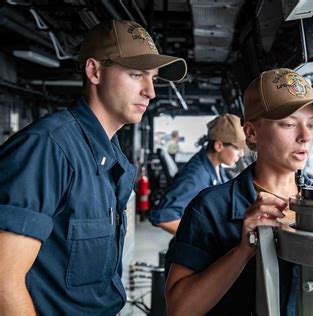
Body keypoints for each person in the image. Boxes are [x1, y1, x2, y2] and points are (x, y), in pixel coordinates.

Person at [0, 20, 186, 315]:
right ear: (94, 71)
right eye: (137, 75)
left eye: (153, 78)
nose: (150, 92)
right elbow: (3, 283)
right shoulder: (48, 148)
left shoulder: (109, 156)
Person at [165, 68, 313, 315]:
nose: (305, 136)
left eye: (312, 125)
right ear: (252, 132)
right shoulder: (210, 208)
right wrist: (243, 250)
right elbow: (179, 309)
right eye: (289, 124)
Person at [150, 114, 246, 235]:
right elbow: (164, 219)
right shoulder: (196, 176)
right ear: (219, 146)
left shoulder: (215, 167)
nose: (241, 154)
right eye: (238, 148)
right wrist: (205, 239)